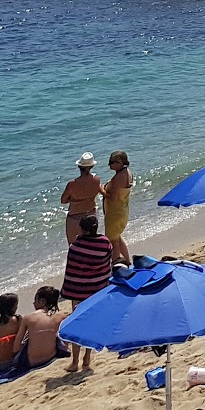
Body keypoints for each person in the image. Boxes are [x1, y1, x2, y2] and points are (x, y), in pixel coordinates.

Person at [61, 215, 112, 372]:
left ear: (82, 229)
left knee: (77, 324)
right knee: (90, 322)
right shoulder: (105, 243)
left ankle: (75, 361)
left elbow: (72, 271)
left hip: (79, 290)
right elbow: (107, 265)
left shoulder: (76, 247)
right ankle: (87, 358)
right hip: (97, 289)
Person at [15, 287, 65, 371]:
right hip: (51, 356)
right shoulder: (61, 316)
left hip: (32, 362)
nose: (33, 303)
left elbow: (15, 348)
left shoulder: (28, 318)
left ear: (42, 301)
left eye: (35, 300)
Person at [61, 155, 103, 244]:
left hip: (75, 216)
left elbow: (63, 200)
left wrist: (73, 200)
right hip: (91, 214)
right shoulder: (96, 180)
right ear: (92, 166)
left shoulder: (72, 184)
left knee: (73, 246)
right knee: (90, 244)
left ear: (79, 167)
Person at [103, 150, 133, 265]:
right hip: (121, 210)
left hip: (115, 213)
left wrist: (102, 190)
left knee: (113, 241)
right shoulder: (127, 173)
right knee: (117, 238)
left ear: (120, 162)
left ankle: (116, 266)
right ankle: (128, 262)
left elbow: (113, 197)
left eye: (112, 162)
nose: (109, 164)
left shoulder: (119, 177)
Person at [0, 293, 21, 370]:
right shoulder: (16, 320)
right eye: (16, 305)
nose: (17, 307)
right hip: (14, 358)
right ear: (11, 307)